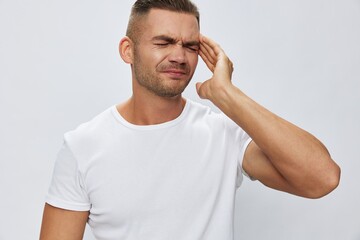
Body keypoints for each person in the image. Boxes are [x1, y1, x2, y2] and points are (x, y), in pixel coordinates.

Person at [40, 0, 341, 239]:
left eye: (190, 46)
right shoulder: (82, 146)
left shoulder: (224, 134)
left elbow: (323, 178)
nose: (179, 56)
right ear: (128, 50)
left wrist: (227, 95)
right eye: (164, 42)